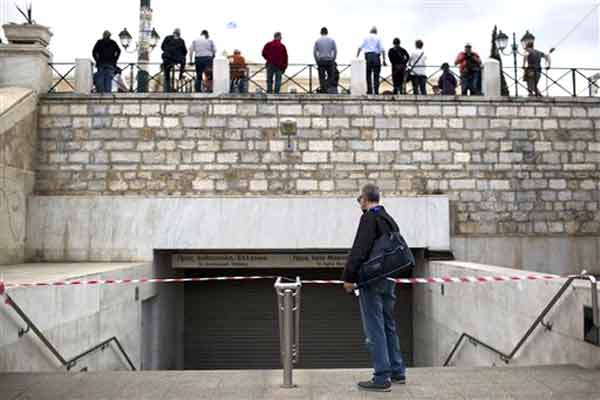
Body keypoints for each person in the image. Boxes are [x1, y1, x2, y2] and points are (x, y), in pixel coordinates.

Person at [342, 184, 407, 393]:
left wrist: (349, 277)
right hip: (389, 279)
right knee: (389, 324)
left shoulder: (369, 217)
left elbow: (359, 249)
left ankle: (381, 377)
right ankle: (397, 371)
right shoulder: (388, 218)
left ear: (365, 198)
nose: (358, 203)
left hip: (372, 280)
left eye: (359, 198)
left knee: (375, 328)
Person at [357, 27, 387, 95]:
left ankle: (369, 91)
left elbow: (359, 47)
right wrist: (384, 60)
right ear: (376, 32)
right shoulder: (378, 38)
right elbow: (383, 49)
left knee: (368, 74)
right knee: (376, 75)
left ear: (370, 31)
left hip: (368, 57)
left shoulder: (366, 37)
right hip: (376, 57)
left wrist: (357, 56)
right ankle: (376, 91)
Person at [161, 28, 187, 93]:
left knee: (167, 70)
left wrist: (167, 51)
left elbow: (162, 47)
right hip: (177, 58)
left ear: (173, 32)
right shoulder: (181, 40)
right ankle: (181, 74)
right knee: (183, 60)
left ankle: (167, 86)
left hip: (167, 57)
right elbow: (185, 51)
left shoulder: (167, 37)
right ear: (179, 34)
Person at [313, 27, 338, 94]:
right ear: (327, 32)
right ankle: (325, 87)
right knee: (331, 76)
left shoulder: (317, 41)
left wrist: (317, 61)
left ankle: (323, 89)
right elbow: (335, 51)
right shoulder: (332, 40)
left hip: (321, 61)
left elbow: (314, 52)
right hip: (330, 60)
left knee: (321, 77)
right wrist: (333, 59)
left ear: (321, 32)